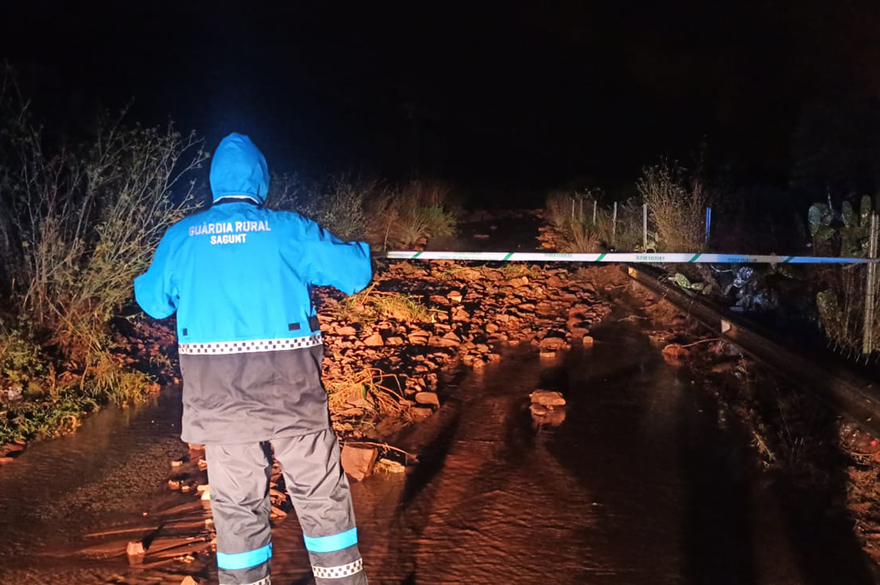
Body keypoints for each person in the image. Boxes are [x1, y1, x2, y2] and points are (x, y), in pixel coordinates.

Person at [134, 133, 372, 585]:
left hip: (218, 400)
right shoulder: (288, 229)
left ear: (215, 182)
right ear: (261, 181)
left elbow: (152, 301)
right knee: (321, 497)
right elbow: (355, 273)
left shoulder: (182, 237)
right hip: (292, 395)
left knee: (237, 508)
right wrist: (362, 248)